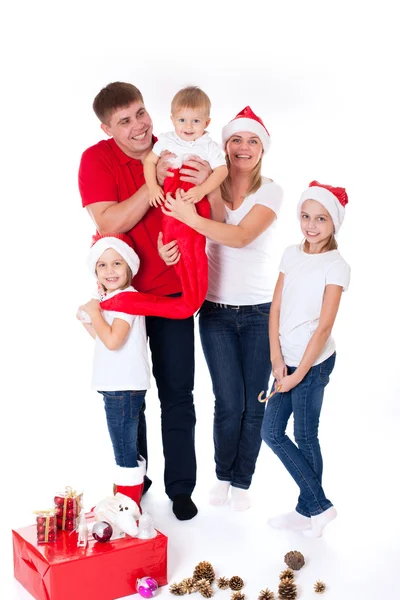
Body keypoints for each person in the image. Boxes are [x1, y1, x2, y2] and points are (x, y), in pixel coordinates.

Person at [78, 82, 219, 520]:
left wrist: (202, 189)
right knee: (128, 396)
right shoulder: (96, 160)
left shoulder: (177, 146)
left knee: (178, 393)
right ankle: (134, 484)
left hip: (175, 293)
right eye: (125, 121)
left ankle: (180, 488)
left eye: (141, 113)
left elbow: (208, 211)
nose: (139, 126)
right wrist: (151, 182)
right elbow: (110, 220)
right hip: (127, 298)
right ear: (107, 128)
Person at [160, 106, 284, 511]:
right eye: (236, 140)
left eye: (252, 141)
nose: (243, 147)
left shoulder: (271, 192)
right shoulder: (210, 183)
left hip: (260, 312)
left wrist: (187, 213)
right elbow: (194, 236)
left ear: (262, 149)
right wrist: (169, 248)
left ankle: (242, 479)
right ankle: (222, 474)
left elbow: (239, 237)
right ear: (224, 145)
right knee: (229, 401)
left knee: (254, 403)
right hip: (214, 311)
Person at [261, 181, 350, 538]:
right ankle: (314, 507)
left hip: (313, 364)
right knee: (271, 431)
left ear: (334, 224)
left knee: (305, 435)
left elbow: (323, 326)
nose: (311, 225)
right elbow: (276, 308)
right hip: (285, 362)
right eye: (305, 216)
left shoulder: (337, 266)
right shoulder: (290, 254)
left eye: (321, 219)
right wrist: (276, 360)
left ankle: (311, 508)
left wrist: (298, 375)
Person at [77, 233, 150, 509]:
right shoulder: (113, 299)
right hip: (117, 384)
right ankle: (128, 497)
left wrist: (95, 313)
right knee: (127, 442)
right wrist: (89, 317)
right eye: (102, 265)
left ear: (129, 267)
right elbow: (103, 340)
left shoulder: (127, 299)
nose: (110, 271)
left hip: (123, 385)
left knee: (123, 448)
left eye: (117, 264)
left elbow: (113, 340)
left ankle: (127, 506)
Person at [144, 85, 228, 207]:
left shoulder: (208, 145)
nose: (188, 126)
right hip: (169, 197)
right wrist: (152, 187)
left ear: (207, 123)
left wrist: (202, 190)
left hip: (195, 198)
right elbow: (149, 161)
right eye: (182, 120)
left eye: (196, 121)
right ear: (173, 120)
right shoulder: (166, 140)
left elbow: (222, 170)